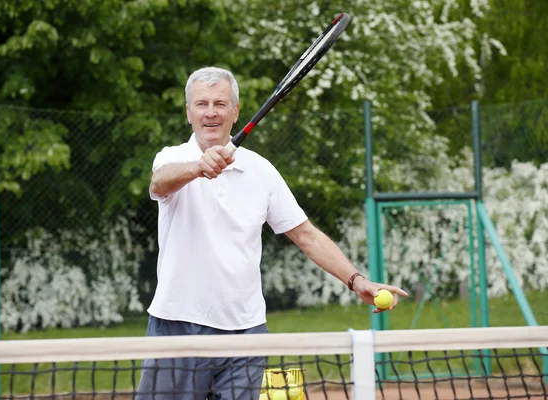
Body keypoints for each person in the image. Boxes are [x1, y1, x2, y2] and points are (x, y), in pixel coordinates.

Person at [137, 66, 408, 400]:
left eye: (220, 104)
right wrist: (198, 167)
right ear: (189, 112)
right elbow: (159, 182)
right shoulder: (173, 158)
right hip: (177, 325)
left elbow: (306, 235)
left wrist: (357, 281)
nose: (211, 112)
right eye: (201, 104)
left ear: (235, 112)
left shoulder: (261, 170)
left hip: (247, 333)